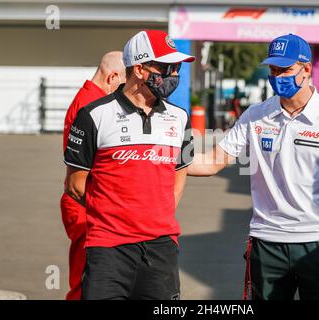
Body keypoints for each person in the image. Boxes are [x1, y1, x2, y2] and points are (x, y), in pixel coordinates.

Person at [187, 34, 319, 300]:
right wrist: (164, 160)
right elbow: (213, 161)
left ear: (306, 69)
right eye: (273, 70)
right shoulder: (256, 115)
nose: (278, 76)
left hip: (317, 244)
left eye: (286, 70)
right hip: (266, 244)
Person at [64, 30, 195, 300]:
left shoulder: (180, 118)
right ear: (139, 68)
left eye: (177, 67)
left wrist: (151, 215)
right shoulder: (93, 115)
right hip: (108, 248)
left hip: (161, 249)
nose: (174, 74)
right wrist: (117, 217)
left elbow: (178, 177)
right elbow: (75, 185)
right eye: (166, 66)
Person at [61, 51, 125, 300]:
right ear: (112, 77)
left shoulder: (91, 100)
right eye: (123, 83)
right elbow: (79, 172)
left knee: (93, 280)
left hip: (86, 202)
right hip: (85, 204)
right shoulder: (90, 106)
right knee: (84, 283)